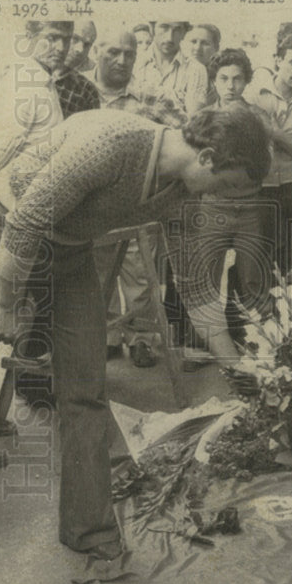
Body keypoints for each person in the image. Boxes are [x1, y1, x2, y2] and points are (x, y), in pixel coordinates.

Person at [0, 106, 270, 578]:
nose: (223, 199)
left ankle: (90, 530)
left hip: (70, 248)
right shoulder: (113, 143)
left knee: (85, 390)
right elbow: (24, 223)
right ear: (206, 158)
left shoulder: (182, 192)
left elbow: (197, 289)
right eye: (226, 186)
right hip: (2, 233)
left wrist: (237, 370)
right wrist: (8, 305)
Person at [88, 29, 183, 368]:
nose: (122, 60)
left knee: (141, 275)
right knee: (96, 274)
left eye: (129, 53)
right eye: (113, 51)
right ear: (97, 49)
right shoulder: (80, 91)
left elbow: (185, 134)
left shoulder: (149, 95)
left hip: (136, 204)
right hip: (90, 203)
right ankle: (108, 336)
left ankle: (142, 338)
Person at [176, 48, 271, 369]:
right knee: (205, 277)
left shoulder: (257, 118)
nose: (230, 85)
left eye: (238, 79)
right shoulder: (202, 118)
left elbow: (264, 165)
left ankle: (258, 342)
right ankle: (198, 345)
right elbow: (194, 165)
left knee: (253, 277)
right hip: (212, 208)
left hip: (248, 207)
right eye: (224, 79)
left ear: (246, 81)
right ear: (214, 81)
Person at [246, 32, 292, 276]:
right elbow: (246, 145)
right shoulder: (253, 97)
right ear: (278, 60)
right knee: (257, 257)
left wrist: (274, 133)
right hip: (261, 185)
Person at [0, 20, 71, 174]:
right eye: (52, 38)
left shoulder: (43, 81)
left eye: (67, 39)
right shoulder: (21, 84)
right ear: (30, 36)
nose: (61, 48)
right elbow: (1, 154)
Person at [132, 20, 209, 117]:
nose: (170, 38)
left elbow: (192, 122)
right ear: (152, 29)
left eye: (177, 30)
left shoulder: (196, 69)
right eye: (164, 27)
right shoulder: (134, 64)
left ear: (184, 33)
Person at [54, 20, 101, 118]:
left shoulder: (87, 91)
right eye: (75, 39)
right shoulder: (30, 73)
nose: (80, 49)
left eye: (87, 44)